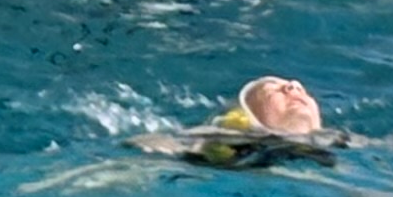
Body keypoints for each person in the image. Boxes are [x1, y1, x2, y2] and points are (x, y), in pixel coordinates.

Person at [132, 75, 342, 167]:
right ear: (251, 117)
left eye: (302, 90)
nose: (293, 87)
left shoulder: (339, 140)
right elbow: (162, 142)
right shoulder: (233, 138)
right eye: (272, 91)